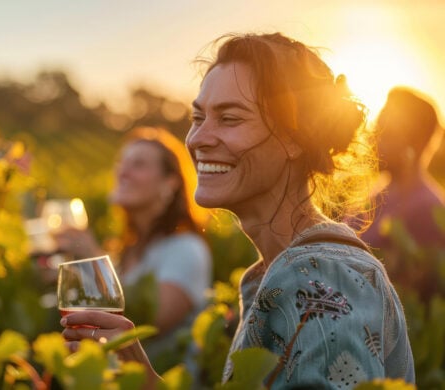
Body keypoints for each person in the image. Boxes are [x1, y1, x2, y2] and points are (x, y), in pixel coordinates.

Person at [61, 32, 415, 389]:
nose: (198, 138)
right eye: (198, 117)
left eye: (229, 119)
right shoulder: (276, 273)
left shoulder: (321, 276)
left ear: (295, 137)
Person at [53, 126, 213, 372]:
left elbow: (152, 318)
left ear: (170, 182)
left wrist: (92, 260)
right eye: (122, 162)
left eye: (138, 164)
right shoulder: (124, 251)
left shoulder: (186, 249)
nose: (122, 172)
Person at [359, 87, 445, 301]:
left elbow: (416, 300)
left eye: (385, 134)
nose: (373, 140)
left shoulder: (427, 209)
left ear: (412, 143)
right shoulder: (376, 196)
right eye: (375, 130)